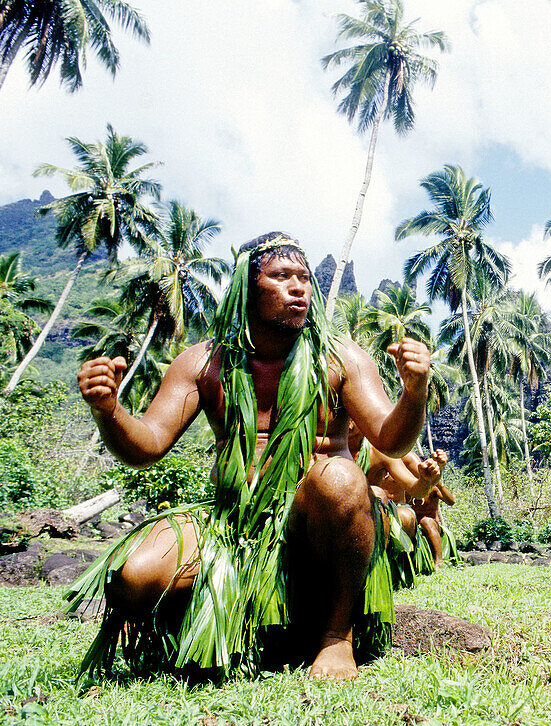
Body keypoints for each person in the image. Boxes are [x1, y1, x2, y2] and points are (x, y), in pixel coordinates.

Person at [67, 232, 432, 681]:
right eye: (281, 276)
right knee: (135, 577)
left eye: (303, 278)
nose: (299, 286)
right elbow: (148, 445)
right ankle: (223, 622)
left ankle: (336, 637)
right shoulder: (204, 362)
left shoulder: (340, 358)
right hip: (231, 520)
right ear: (247, 285)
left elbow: (390, 438)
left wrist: (415, 392)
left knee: (338, 477)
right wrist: (109, 411)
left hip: (314, 517)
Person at [408, 462, 458, 568]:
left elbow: (451, 502)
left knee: (426, 521)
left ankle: (439, 561)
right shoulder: (407, 488)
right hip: (413, 527)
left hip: (432, 525)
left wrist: (439, 484)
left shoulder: (433, 487)